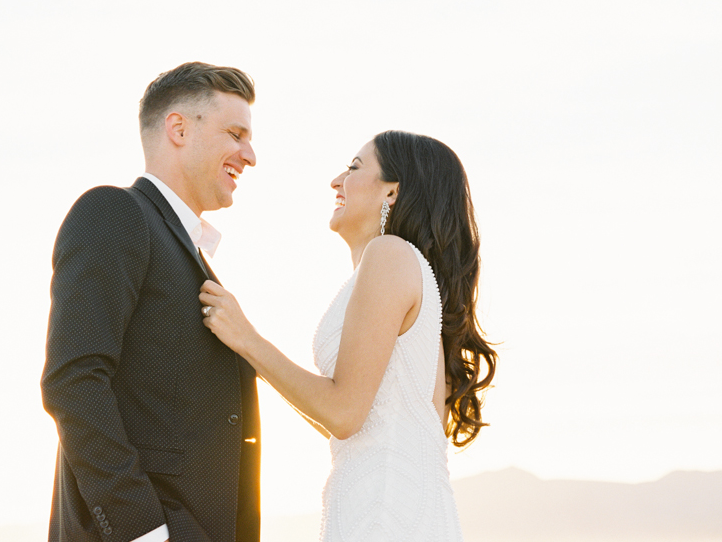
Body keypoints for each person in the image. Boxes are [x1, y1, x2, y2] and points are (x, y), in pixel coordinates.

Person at [200, 130, 497, 541]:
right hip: (391, 507)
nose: (336, 181)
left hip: (384, 513)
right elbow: (354, 421)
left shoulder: (389, 254)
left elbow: (343, 414)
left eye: (354, 167)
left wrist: (248, 340)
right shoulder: (400, 269)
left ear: (391, 192)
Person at [41, 61, 261, 542]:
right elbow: (73, 379)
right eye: (235, 133)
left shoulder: (191, 254)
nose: (250, 154)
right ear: (178, 129)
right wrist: (146, 531)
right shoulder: (115, 213)